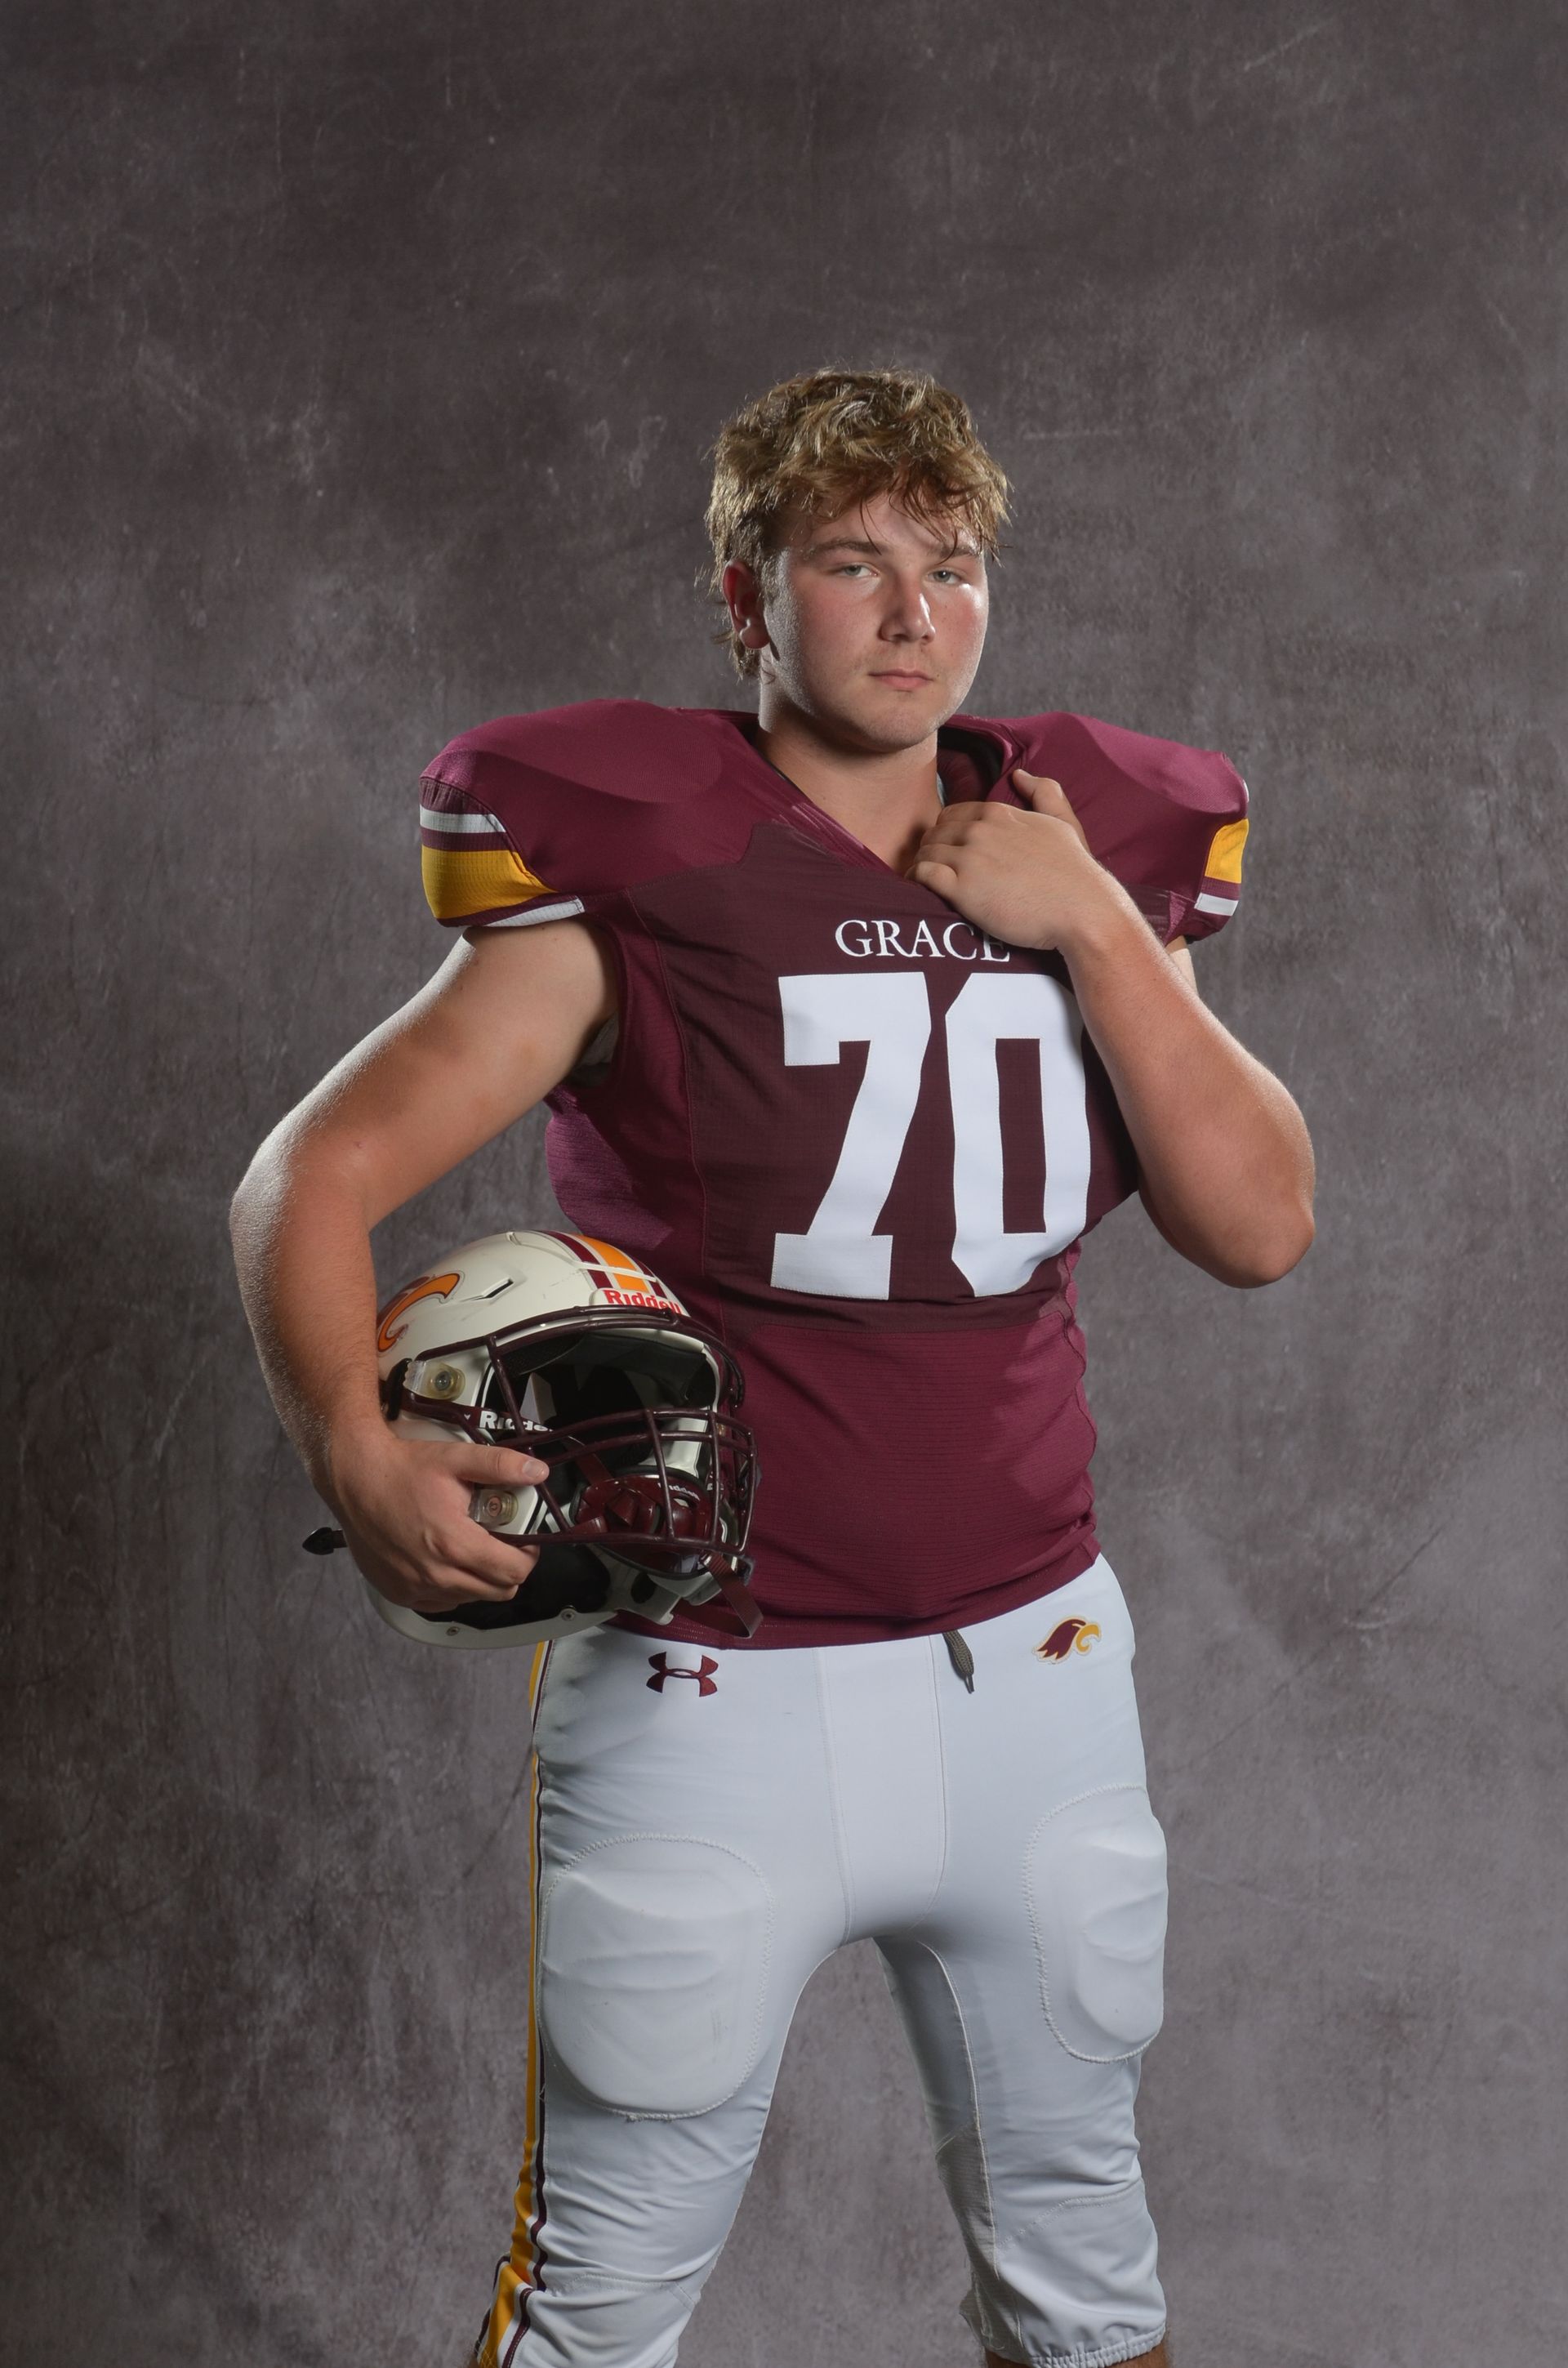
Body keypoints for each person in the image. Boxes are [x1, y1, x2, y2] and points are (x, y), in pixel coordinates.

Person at [231, 367, 1314, 2368]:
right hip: (713, 1691)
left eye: (953, 565)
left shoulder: (1083, 857)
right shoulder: (635, 886)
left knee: (1093, 2288)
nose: (915, 613)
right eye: (854, 565)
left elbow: (1258, 1223)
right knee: (597, 2311)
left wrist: (1085, 915)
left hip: (1043, 1682)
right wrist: (348, 1448)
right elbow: (308, 1177)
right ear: (750, 604)